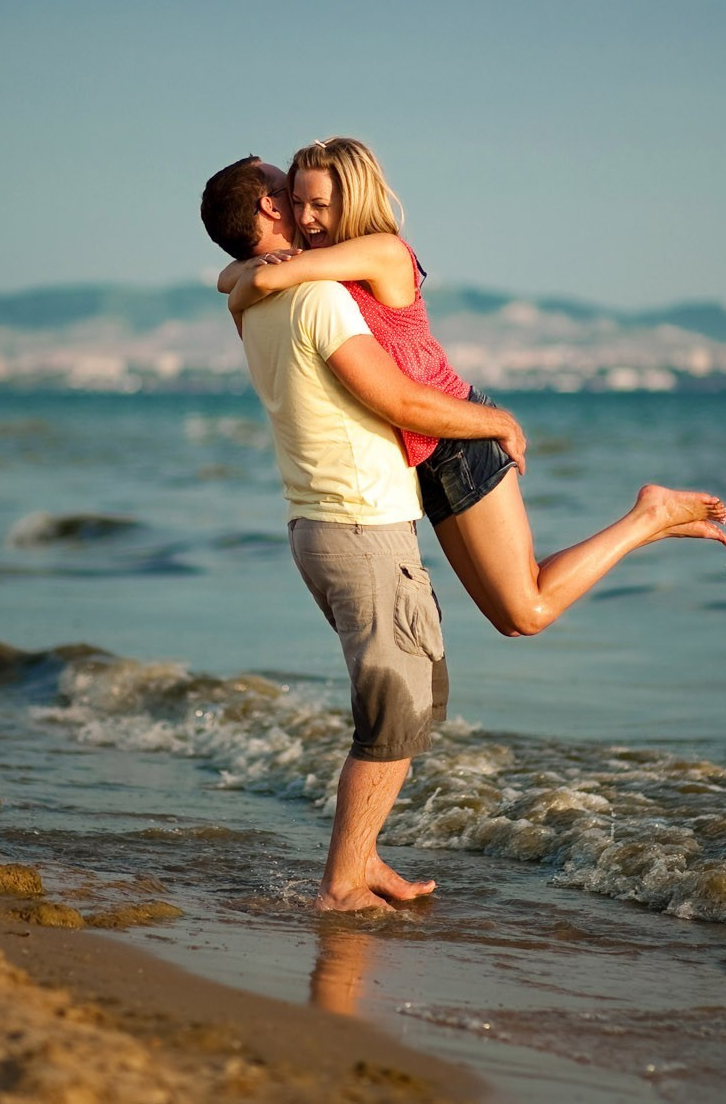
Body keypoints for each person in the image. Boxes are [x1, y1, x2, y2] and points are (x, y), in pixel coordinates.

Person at [218, 137, 726, 641]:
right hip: (424, 451)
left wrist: (247, 284)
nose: (307, 219)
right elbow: (230, 276)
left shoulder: (383, 251)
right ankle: (654, 520)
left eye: (320, 205)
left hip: (458, 430)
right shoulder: (326, 257)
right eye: (300, 202)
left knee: (528, 612)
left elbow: (253, 283)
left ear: (352, 199)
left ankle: (650, 514)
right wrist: (246, 276)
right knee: (509, 616)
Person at [200, 154, 526, 912]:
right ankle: (343, 881)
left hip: (317, 526)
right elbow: (401, 399)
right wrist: (497, 420)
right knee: (391, 717)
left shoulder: (251, 302)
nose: (311, 210)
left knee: (409, 699)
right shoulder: (318, 299)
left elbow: (239, 280)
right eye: (291, 193)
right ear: (273, 211)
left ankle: (363, 857)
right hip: (360, 526)